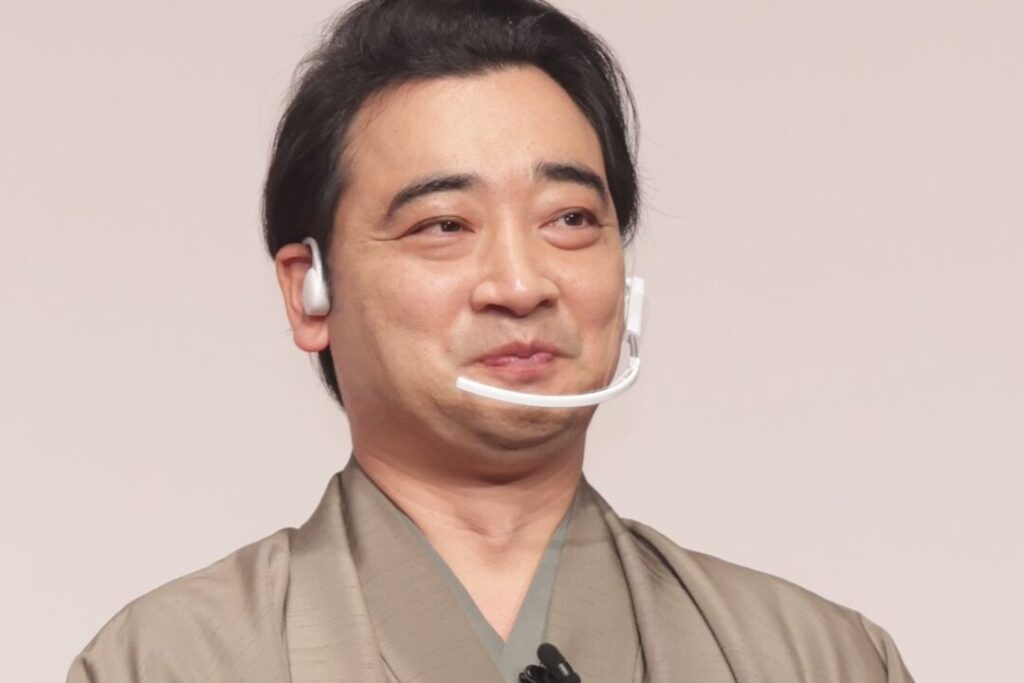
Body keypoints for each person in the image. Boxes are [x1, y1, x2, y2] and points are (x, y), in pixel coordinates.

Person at [66, 0, 915, 681]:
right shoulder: (174, 660)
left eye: (570, 219)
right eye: (443, 224)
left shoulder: (814, 657)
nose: (520, 282)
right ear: (309, 291)